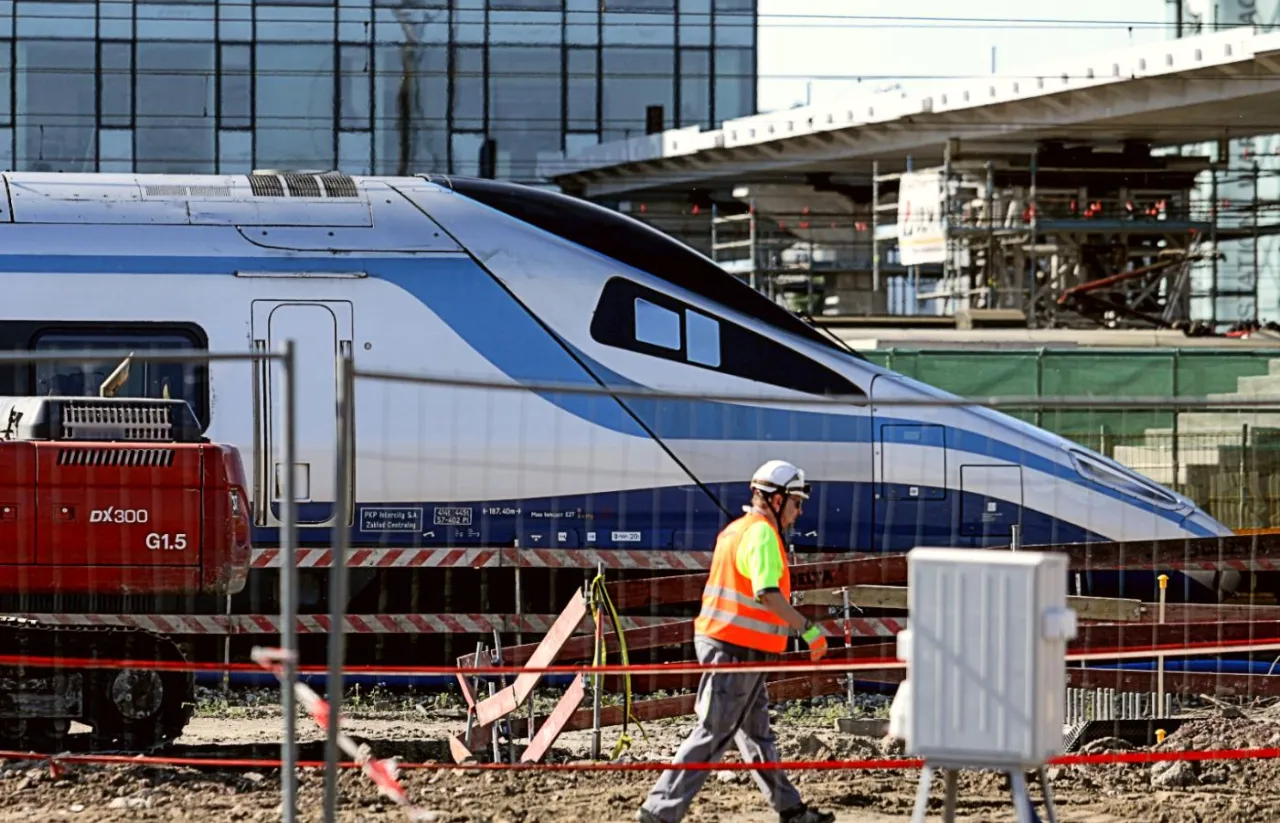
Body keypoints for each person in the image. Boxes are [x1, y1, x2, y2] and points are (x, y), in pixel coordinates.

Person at [637, 460, 836, 823]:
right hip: (736, 649)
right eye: (795, 502)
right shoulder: (761, 534)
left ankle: (790, 810)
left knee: (756, 736)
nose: (799, 511)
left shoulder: (736, 530)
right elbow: (767, 593)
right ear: (775, 500)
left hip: (737, 647)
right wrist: (809, 630)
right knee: (713, 731)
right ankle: (659, 811)